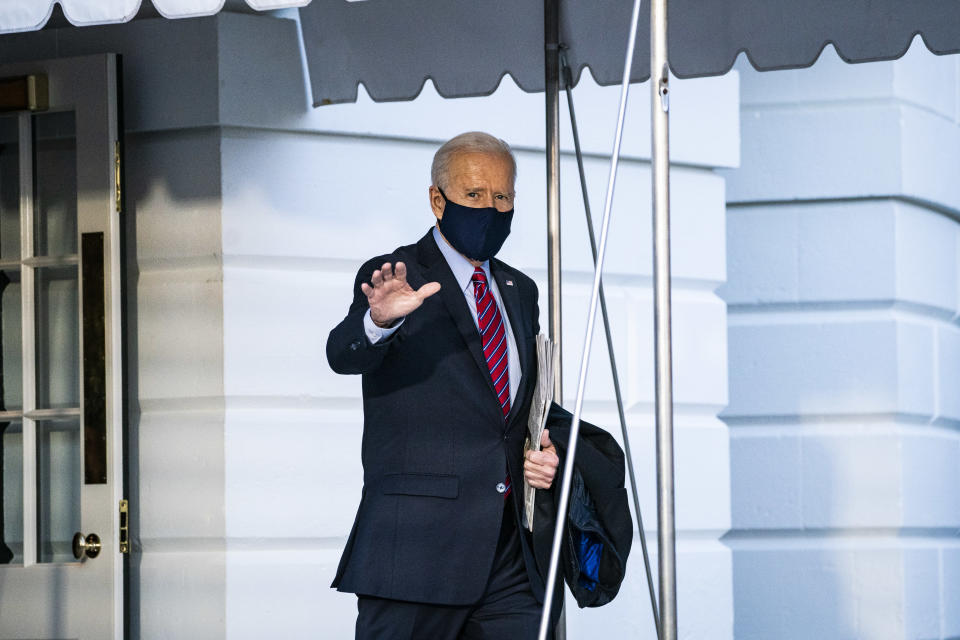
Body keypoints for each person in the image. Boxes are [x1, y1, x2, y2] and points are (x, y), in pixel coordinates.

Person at [327, 131, 561, 639]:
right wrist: (379, 321)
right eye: (474, 195)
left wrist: (544, 452)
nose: (490, 209)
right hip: (415, 554)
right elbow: (342, 354)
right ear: (438, 199)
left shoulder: (520, 289)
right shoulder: (396, 275)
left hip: (509, 558)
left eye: (503, 198)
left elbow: (517, 409)